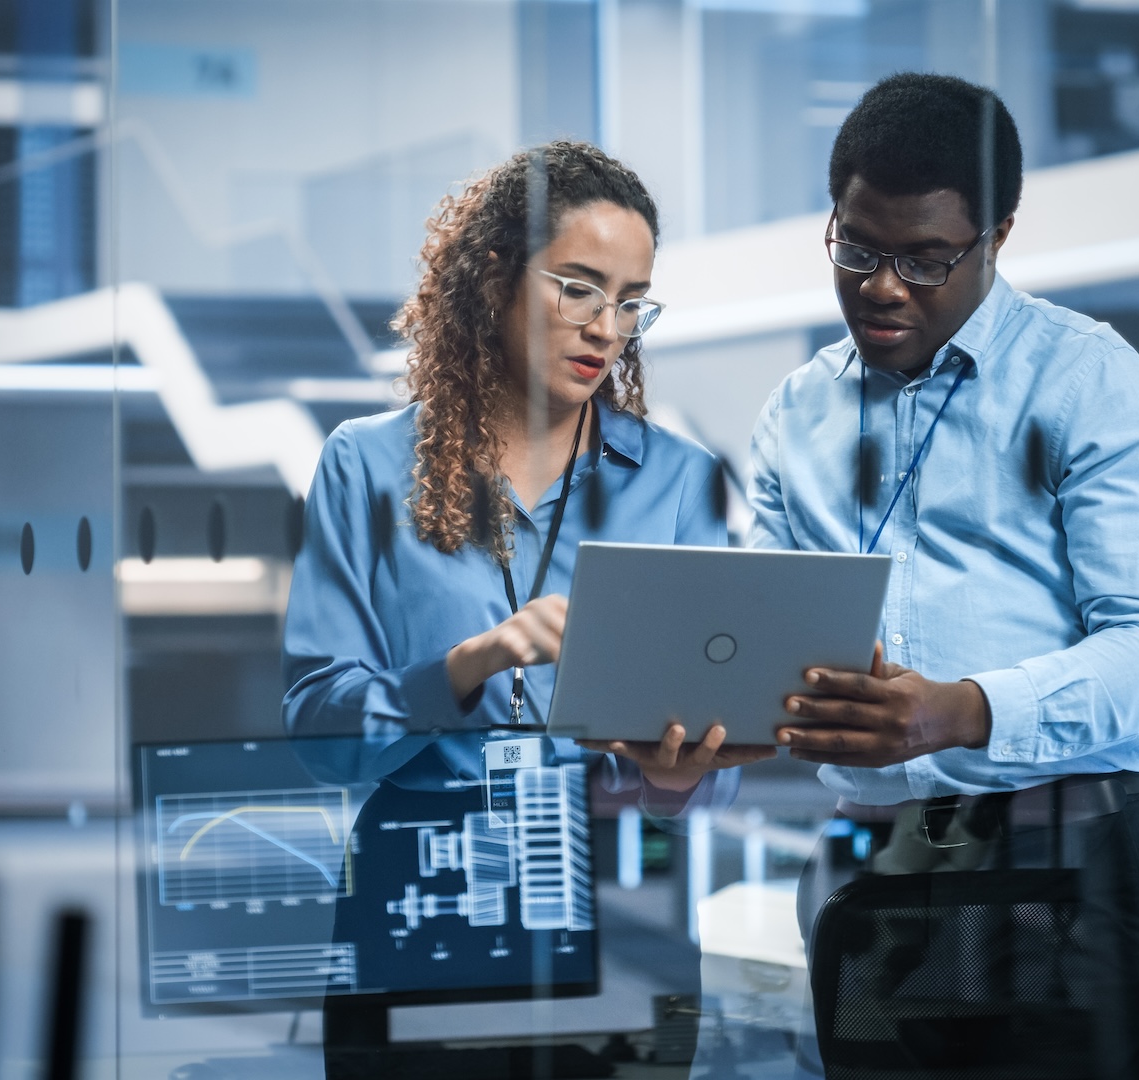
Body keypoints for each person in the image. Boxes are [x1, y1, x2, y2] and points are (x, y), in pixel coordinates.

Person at [751, 74, 1139, 1078]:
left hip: (1060, 869)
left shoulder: (1094, 386)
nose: (882, 287)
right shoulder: (796, 415)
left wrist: (960, 710)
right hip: (872, 868)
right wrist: (696, 729)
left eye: (926, 260)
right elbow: (759, 641)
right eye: (858, 249)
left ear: (998, 234)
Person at [282, 142, 772, 1061]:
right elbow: (319, 732)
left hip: (616, 892)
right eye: (578, 287)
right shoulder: (365, 465)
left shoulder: (677, 481)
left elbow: (716, 761)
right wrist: (477, 659)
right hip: (416, 889)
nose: (607, 327)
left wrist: (677, 774)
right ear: (496, 278)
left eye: (631, 302)